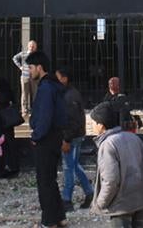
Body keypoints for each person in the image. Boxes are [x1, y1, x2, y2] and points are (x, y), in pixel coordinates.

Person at [89, 102, 143, 228]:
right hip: (140, 199)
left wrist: (100, 203)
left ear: (101, 125)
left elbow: (111, 181)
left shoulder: (107, 145)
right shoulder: (134, 138)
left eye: (93, 122)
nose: (92, 126)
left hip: (121, 206)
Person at [27, 52, 68, 228]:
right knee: (50, 180)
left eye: (30, 67)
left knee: (44, 182)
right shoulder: (54, 86)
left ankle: (49, 220)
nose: (29, 72)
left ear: (39, 67)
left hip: (45, 139)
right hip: (55, 137)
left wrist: (36, 136)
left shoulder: (45, 88)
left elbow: (45, 116)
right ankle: (59, 217)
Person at [55, 67, 93, 212]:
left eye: (58, 77)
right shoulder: (71, 94)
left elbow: (73, 121)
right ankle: (89, 193)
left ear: (65, 78)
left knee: (68, 168)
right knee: (74, 165)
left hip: (71, 137)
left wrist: (66, 139)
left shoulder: (69, 96)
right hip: (76, 135)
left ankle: (67, 200)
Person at [13, 40, 41, 118]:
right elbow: (14, 58)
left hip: (34, 77)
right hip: (25, 76)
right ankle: (24, 111)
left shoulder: (37, 55)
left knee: (35, 93)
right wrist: (20, 67)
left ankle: (35, 110)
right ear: (28, 46)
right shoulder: (23, 54)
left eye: (33, 46)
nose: (32, 47)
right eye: (31, 46)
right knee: (25, 94)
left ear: (36, 47)